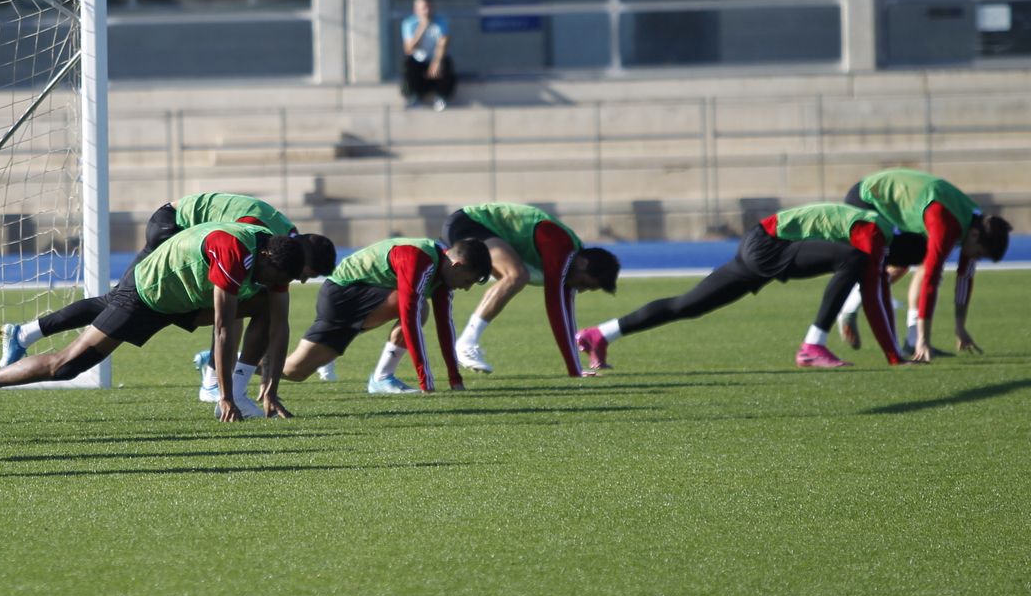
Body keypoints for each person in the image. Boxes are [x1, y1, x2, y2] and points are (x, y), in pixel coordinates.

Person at [0, 223, 307, 426]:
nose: (266, 281)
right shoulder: (234, 253)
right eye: (267, 274)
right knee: (67, 365)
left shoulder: (272, 255)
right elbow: (223, 328)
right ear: (264, 256)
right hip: (148, 293)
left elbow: (280, 323)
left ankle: (243, 392)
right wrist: (225, 395)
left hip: (181, 296)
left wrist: (271, 388)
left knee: (267, 309)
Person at [575, 203, 919, 371]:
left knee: (688, 305)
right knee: (853, 261)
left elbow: (873, 293)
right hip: (769, 245)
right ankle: (813, 345)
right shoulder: (875, 234)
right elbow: (873, 296)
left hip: (761, 243)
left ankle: (600, 334)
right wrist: (893, 357)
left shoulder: (877, 233)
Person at [827, 169, 1013, 363]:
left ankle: (912, 339)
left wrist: (960, 327)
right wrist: (925, 340)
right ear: (975, 236)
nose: (976, 258)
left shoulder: (977, 223)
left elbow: (965, 276)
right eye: (979, 254)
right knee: (890, 265)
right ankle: (853, 312)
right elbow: (930, 280)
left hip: (896, 208)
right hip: (866, 200)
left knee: (915, 259)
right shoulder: (946, 224)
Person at [283, 237, 492, 394]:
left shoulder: (443, 275)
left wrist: (455, 379)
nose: (466, 289)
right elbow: (409, 315)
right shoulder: (419, 258)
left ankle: (252, 364)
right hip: (342, 296)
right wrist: (425, 382)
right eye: (468, 281)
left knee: (295, 372)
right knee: (419, 307)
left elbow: (445, 325)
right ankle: (382, 377)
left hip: (357, 299)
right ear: (457, 265)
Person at [443, 202, 621, 378]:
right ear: (584, 263)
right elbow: (555, 307)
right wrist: (574, 370)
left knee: (515, 276)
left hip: (478, 228)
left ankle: (466, 341)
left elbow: (567, 315)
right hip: (469, 222)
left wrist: (575, 369)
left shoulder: (571, 260)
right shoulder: (561, 246)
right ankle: (466, 343)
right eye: (585, 284)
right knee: (516, 275)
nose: (581, 290)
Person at [401, 0, 455, 110]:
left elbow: (443, 43)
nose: (428, 10)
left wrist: (437, 61)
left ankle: (441, 97)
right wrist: (422, 27)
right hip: (418, 61)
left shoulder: (440, 22)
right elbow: (409, 49)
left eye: (430, 7)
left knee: (446, 63)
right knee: (408, 64)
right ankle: (413, 96)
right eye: (424, 7)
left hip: (434, 59)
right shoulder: (409, 24)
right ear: (416, 10)